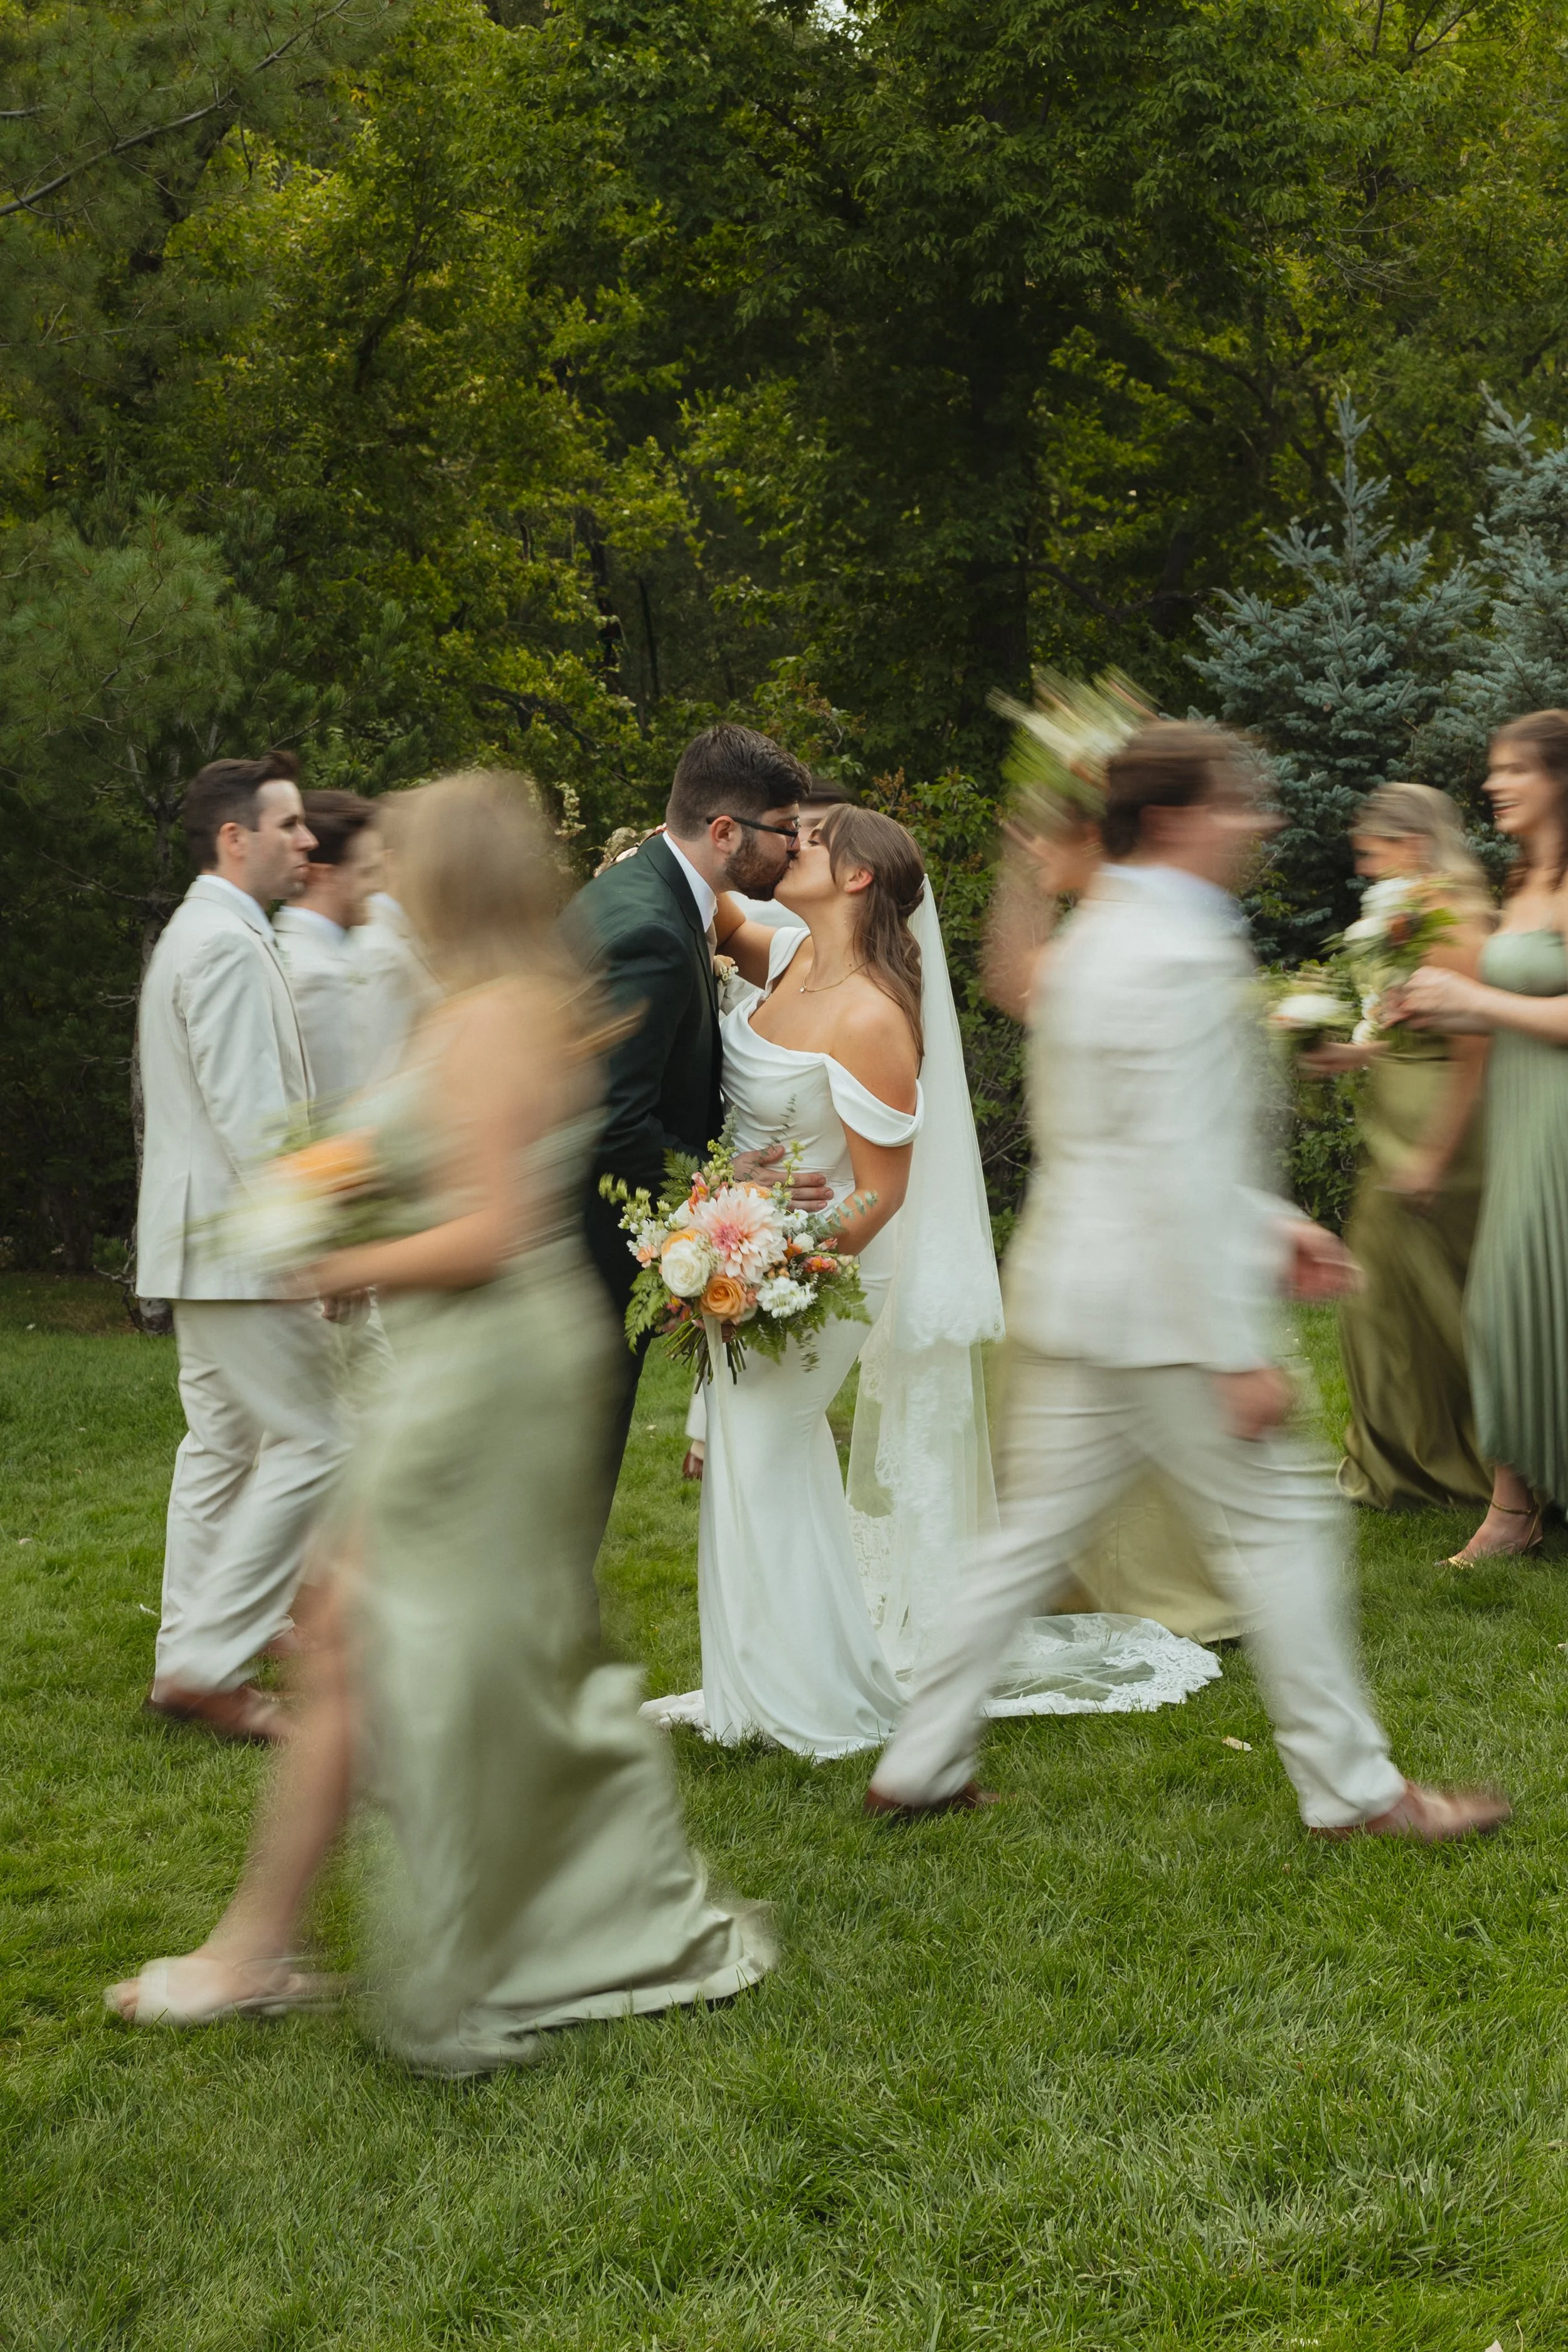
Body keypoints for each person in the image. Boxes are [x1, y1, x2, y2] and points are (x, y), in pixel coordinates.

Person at [106, 771, 773, 2067]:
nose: (381, 874)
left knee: (383, 1645)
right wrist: (338, 1188)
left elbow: (488, 1231)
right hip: (474, 1361)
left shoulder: (494, 1020)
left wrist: (343, 1259)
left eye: (406, 857)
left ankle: (266, 1949)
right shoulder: (491, 1005)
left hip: (486, 1368)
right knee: (406, 1646)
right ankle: (291, 1940)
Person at [866, 721, 1509, 1843]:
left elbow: (1140, 1139)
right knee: (1285, 1530)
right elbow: (1166, 1160)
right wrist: (1234, 1349)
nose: (1259, 822)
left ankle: (919, 1764)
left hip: (1079, 1294)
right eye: (1237, 802)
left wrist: (1268, 1225)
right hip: (1161, 1317)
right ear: (1172, 821)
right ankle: (1357, 1792)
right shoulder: (1171, 950)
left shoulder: (1103, 935)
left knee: (1023, 1543)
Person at [644, 804, 1221, 1757]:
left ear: (861, 877)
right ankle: (764, 1679)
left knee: (772, 1445)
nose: (792, 844)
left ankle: (816, 1698)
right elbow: (697, 897)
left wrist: (777, 1257)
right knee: (750, 1461)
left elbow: (882, 1192)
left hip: (813, 1273)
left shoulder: (872, 1014)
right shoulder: (782, 956)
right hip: (745, 1253)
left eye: (815, 838)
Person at [569, 724, 832, 1554]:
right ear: (724, 833)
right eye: (784, 829)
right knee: (571, 1485)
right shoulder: (650, 929)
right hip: (582, 1257)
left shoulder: (651, 890)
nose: (794, 848)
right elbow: (614, 1123)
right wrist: (718, 1180)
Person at [136, 753, 349, 1744]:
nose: (308, 841)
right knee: (319, 1436)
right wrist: (310, 1241)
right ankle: (208, 1663)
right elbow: (252, 1116)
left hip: (206, 1244)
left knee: (223, 1447)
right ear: (237, 837)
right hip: (238, 1248)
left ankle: (197, 1642)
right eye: (290, 825)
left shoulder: (213, 930)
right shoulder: (220, 945)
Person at [1396, 711, 1568, 1560]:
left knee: (1532, 1294)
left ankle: (1518, 1511)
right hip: (1524, 1115)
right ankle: (1516, 1506)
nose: (1495, 783)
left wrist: (1479, 1005)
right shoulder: (1526, 878)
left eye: (1514, 770)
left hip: (1562, 1123)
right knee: (1506, 1301)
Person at [1298, 783, 1493, 1513]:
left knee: (1431, 1299)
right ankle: (1404, 1462)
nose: (1362, 866)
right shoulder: (1404, 918)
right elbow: (1403, 1021)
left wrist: (1436, 1158)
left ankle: (1456, 1466)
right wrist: (1352, 1053)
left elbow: (1474, 1049)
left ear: (1412, 844)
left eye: (1370, 851)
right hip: (1397, 1119)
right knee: (1390, 1297)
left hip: (1445, 1129)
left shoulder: (1450, 920)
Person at [274, 790, 383, 1106]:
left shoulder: (286, 948)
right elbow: (336, 1112)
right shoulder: (320, 978)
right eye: (366, 872)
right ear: (324, 876)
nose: (377, 886)